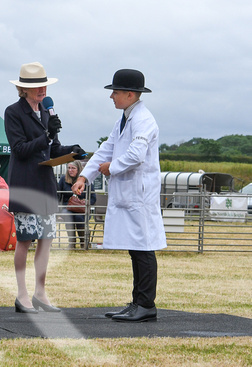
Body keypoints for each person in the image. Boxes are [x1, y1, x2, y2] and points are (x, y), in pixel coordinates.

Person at [72, 69, 166, 322]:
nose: (111, 96)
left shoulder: (144, 120)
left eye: (115, 91)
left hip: (139, 194)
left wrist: (110, 168)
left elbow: (136, 154)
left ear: (129, 94)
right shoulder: (125, 119)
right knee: (135, 248)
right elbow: (106, 149)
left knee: (144, 248)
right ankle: (138, 302)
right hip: (128, 193)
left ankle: (146, 304)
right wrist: (84, 176)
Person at [4, 61, 86, 313]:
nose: (42, 91)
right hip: (26, 184)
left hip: (45, 183)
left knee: (47, 239)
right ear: (23, 89)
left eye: (44, 86)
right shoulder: (13, 112)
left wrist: (71, 152)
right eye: (37, 87)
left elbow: (51, 150)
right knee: (25, 240)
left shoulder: (46, 112)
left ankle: (40, 292)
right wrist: (47, 136)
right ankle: (22, 294)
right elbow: (20, 150)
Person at [58, 160, 96, 248]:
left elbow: (93, 198)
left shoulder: (85, 180)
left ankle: (84, 241)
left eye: (73, 168)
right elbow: (58, 195)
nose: (70, 170)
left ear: (78, 169)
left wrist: (84, 202)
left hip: (81, 208)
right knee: (67, 215)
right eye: (69, 168)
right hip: (67, 208)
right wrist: (58, 210)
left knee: (79, 217)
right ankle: (72, 242)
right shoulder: (63, 179)